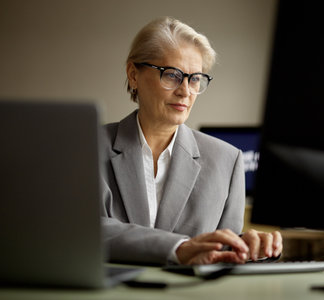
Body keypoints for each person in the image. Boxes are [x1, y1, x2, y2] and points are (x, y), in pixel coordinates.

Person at [100, 17, 282, 265]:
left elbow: (224, 254)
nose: (185, 90)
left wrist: (252, 248)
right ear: (133, 75)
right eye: (172, 75)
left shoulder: (227, 161)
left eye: (195, 78)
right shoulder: (86, 146)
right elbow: (84, 229)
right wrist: (179, 248)